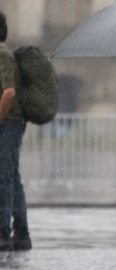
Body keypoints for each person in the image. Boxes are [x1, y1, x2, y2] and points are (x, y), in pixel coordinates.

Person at [0, 11, 31, 252]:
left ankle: (3, 232)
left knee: (4, 175)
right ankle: (21, 232)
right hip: (12, 121)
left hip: (9, 121)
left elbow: (8, 92)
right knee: (12, 175)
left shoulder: (2, 55)